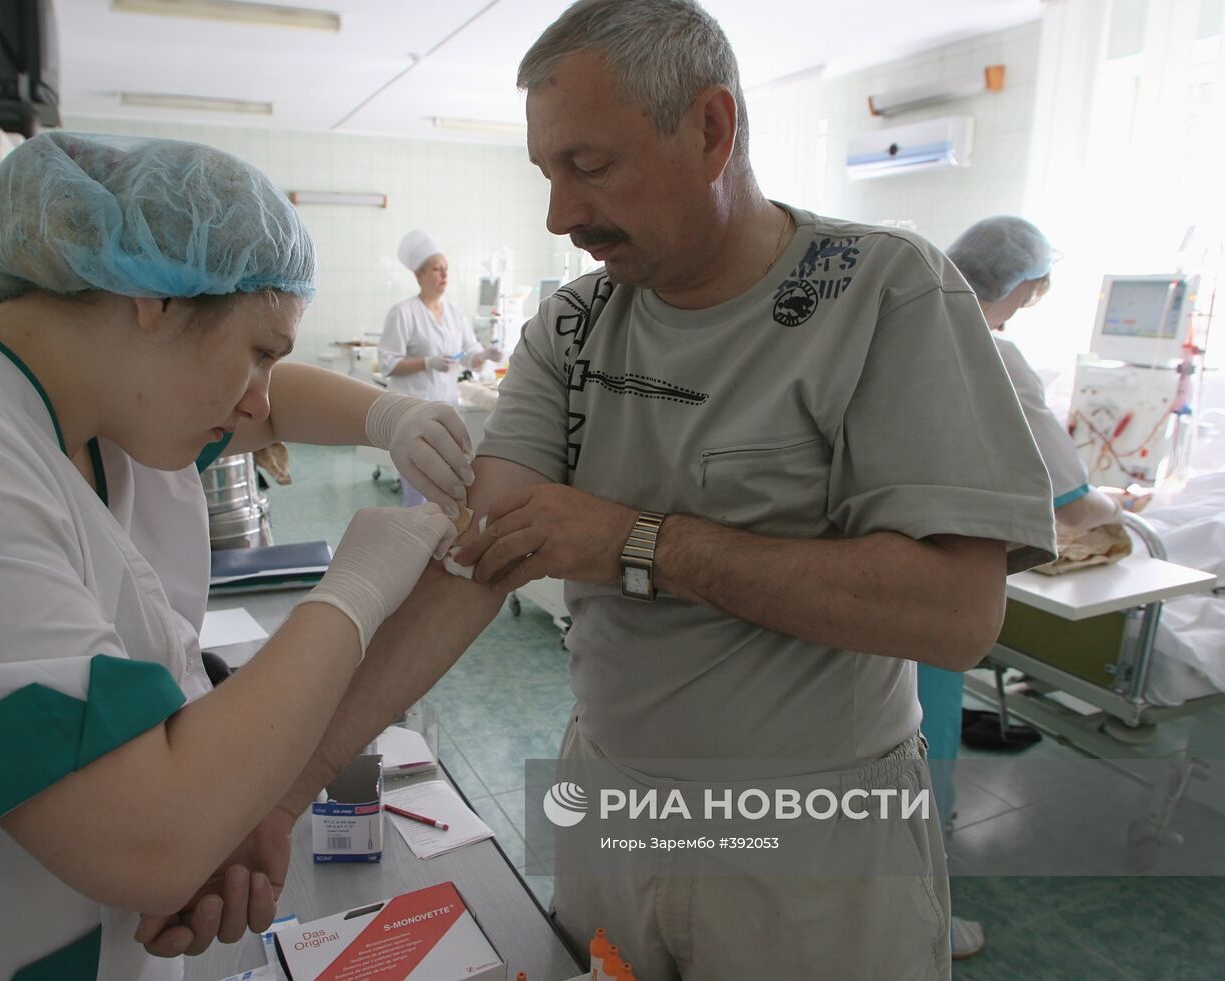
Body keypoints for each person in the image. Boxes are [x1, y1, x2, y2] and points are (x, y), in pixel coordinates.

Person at [275, 2, 1057, 978]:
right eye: (545, 174)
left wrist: (636, 542)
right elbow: (474, 562)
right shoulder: (572, 328)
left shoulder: (883, 295)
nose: (560, 216)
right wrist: (292, 786)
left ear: (710, 129)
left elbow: (955, 614)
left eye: (587, 167)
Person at [0, 132, 478, 979]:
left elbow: (270, 412)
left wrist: (388, 417)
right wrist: (352, 591)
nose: (260, 397)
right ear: (156, 300)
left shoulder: (95, 396)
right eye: (260, 351)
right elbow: (151, 839)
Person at [912, 215, 1128, 959]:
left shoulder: (894, 324)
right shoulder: (992, 352)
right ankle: (923, 927)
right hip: (932, 580)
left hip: (863, 566)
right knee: (918, 757)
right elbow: (1069, 496)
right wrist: (1123, 511)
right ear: (1024, 286)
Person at [379, 230, 502, 505]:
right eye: (437, 269)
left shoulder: (455, 313)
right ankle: (420, 544)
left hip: (445, 411)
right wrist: (427, 362)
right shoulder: (404, 313)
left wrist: (484, 354)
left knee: (446, 488)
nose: (444, 276)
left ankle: (444, 544)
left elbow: (468, 356)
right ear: (419, 275)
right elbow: (389, 363)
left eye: (446, 269)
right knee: (418, 490)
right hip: (411, 412)